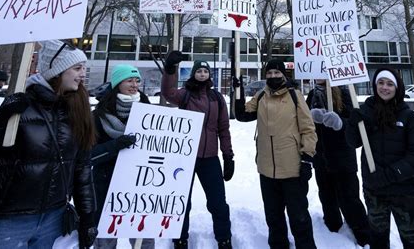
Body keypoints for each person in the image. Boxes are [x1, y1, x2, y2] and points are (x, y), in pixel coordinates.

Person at [0, 40, 98, 249]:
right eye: (77, 68)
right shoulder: (19, 109)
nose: (83, 74)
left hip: (54, 219)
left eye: (84, 69)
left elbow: (81, 168)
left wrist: (88, 216)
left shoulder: (77, 111)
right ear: (57, 71)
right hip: (10, 221)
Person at [233, 58, 317, 249]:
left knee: (299, 217)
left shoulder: (295, 96)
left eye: (277, 73)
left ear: (283, 74)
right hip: (266, 169)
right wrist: (237, 92)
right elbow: (243, 114)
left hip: (292, 168)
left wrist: (307, 159)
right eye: (269, 73)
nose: (273, 76)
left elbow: (308, 129)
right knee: (273, 216)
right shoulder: (262, 95)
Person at [346, 67, 414, 249]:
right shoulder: (366, 111)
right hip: (374, 191)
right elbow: (354, 142)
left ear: (397, 88)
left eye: (390, 84)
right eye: (381, 83)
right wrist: (353, 123)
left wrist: (388, 175)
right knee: (378, 239)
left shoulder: (409, 117)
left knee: (412, 239)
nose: (385, 87)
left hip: (404, 192)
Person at [162, 51, 234, 249]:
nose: (202, 74)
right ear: (193, 74)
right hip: (185, 158)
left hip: (210, 158)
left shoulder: (217, 98)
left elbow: (223, 128)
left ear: (209, 75)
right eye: (199, 71)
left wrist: (228, 156)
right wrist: (170, 69)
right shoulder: (184, 95)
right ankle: (180, 238)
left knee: (218, 203)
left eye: (205, 71)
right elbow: (168, 93)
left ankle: (224, 239)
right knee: (182, 201)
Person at [92, 64, 154, 249]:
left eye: (137, 81)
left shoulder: (150, 112)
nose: (134, 84)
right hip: (106, 186)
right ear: (117, 83)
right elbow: (88, 157)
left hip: (139, 187)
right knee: (106, 240)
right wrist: (114, 146)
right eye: (129, 80)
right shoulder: (98, 116)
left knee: (144, 240)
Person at [306, 80, 369, 246]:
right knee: (327, 197)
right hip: (321, 157)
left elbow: (355, 124)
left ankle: (364, 237)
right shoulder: (313, 94)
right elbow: (304, 124)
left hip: (343, 158)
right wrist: (310, 117)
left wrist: (340, 122)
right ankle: (333, 233)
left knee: (349, 200)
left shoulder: (345, 92)